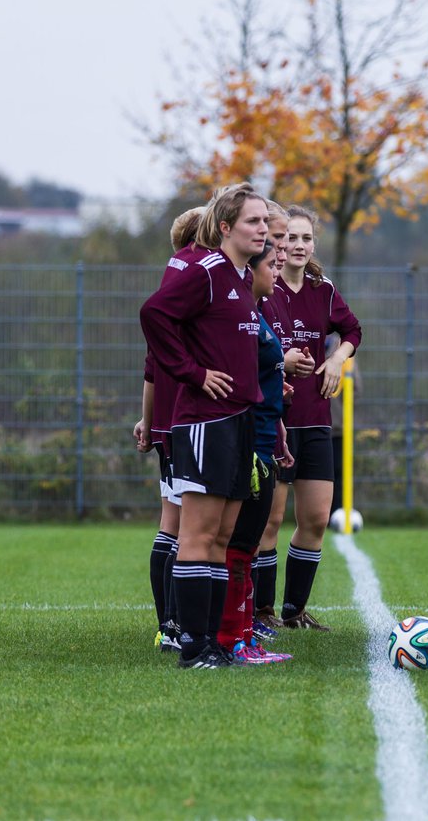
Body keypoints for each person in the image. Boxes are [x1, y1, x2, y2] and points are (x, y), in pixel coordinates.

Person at [139, 182, 268, 669]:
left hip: (240, 420)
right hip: (204, 421)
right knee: (196, 535)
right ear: (225, 227)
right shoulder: (208, 270)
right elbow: (154, 313)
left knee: (221, 536)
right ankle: (192, 647)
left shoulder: (242, 277)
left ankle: (212, 643)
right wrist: (192, 373)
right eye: (253, 221)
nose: (262, 229)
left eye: (263, 221)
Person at [270, 205, 362, 631]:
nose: (298, 245)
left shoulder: (322, 289)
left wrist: (336, 360)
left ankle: (293, 612)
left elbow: (353, 332)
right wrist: (280, 363)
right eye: (290, 237)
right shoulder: (264, 289)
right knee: (269, 521)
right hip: (274, 421)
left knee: (315, 519)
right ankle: (258, 614)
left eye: (306, 238)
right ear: (277, 242)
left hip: (316, 421)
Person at [216, 240, 306, 664]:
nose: (278, 268)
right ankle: (232, 638)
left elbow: (259, 374)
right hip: (251, 441)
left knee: (248, 544)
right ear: (250, 272)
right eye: (272, 264)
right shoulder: (243, 317)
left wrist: (279, 420)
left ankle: (246, 634)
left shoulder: (256, 315)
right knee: (241, 545)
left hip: (267, 436)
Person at [135, 206, 204, 652]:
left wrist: (147, 418)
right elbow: (158, 359)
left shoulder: (177, 269)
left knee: (175, 521)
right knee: (181, 522)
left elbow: (151, 363)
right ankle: (172, 626)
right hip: (186, 414)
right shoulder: (195, 273)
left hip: (169, 414)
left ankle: (172, 625)